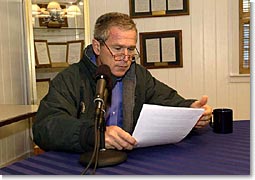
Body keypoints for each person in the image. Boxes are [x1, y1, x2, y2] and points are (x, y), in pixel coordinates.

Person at [33, 12, 212, 153]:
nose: (125, 58)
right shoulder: (69, 79)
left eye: (131, 49)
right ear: (97, 47)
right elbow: (45, 127)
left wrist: (192, 111)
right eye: (118, 49)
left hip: (130, 160)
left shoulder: (138, 76)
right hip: (81, 162)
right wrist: (94, 135)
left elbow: (170, 102)